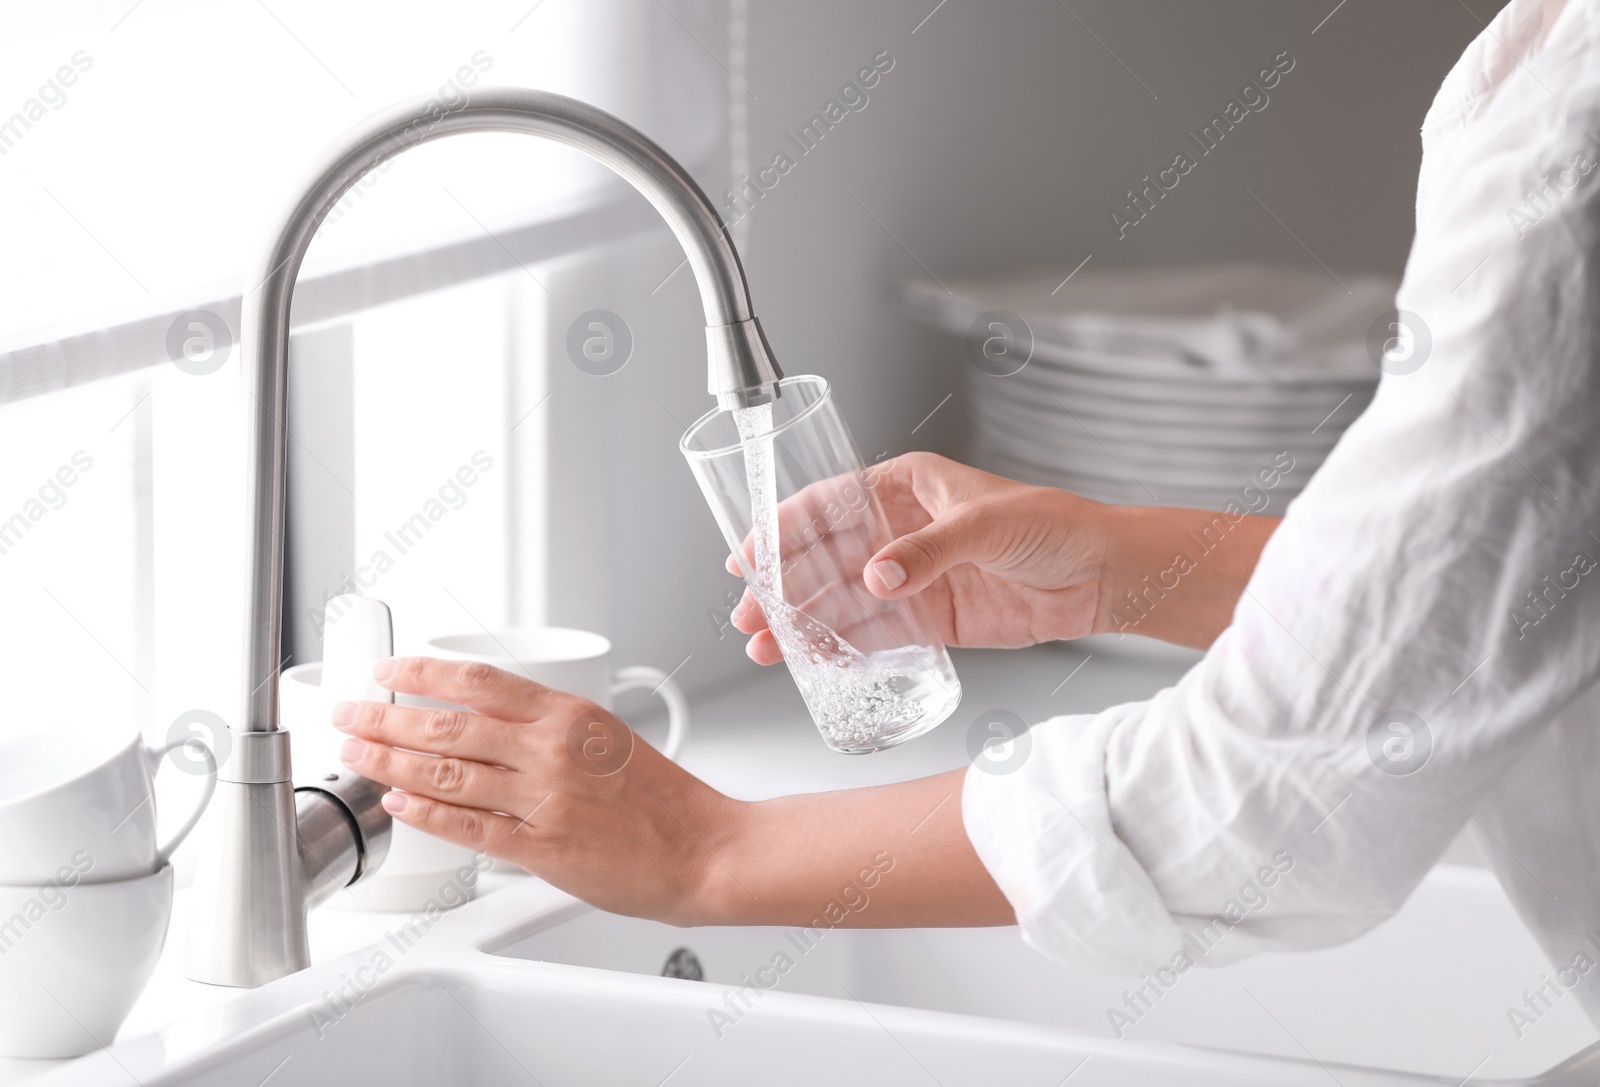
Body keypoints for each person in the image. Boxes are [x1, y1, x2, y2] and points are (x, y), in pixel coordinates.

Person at [336, 0, 1600, 1022]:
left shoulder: (1572, 121)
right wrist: (1120, 568)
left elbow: (1269, 804)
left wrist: (698, 848)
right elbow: (1534, 579)